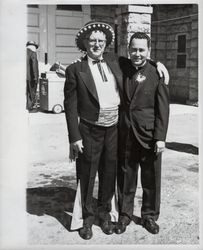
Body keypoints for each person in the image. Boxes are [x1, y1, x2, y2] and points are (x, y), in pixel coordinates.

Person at [64, 21, 169, 240]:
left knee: (110, 175)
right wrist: (74, 137)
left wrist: (158, 63)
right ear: (84, 43)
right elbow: (70, 105)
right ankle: (88, 220)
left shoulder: (114, 60)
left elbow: (140, 59)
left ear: (106, 44)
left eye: (100, 41)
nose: (96, 44)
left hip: (115, 130)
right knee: (89, 175)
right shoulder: (76, 69)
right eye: (92, 40)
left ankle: (105, 216)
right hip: (90, 130)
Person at [115, 32, 170, 235]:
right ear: (128, 49)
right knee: (126, 176)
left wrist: (161, 137)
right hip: (126, 134)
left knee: (151, 178)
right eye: (134, 49)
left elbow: (163, 108)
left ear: (149, 50)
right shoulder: (122, 66)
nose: (137, 53)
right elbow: (102, 56)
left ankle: (149, 216)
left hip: (149, 136)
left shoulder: (157, 73)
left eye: (142, 50)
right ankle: (124, 215)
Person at [26, 41, 39, 112]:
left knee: (26, 92)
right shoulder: (33, 53)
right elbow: (34, 66)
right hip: (31, 77)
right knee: (31, 92)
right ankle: (30, 107)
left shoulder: (23, 53)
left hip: (24, 76)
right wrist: (35, 78)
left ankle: (26, 106)